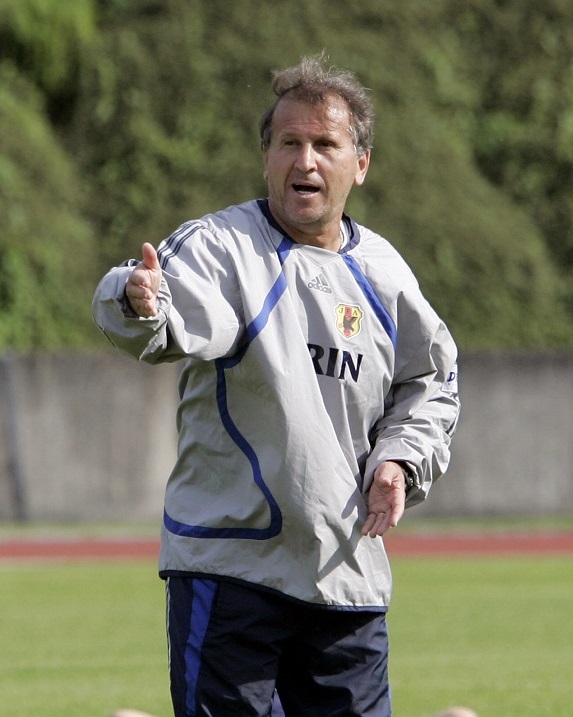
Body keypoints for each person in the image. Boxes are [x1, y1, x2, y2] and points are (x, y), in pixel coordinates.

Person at [93, 55, 460, 717]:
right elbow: (157, 316)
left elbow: (431, 381)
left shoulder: (385, 275)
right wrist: (133, 297)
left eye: (326, 144)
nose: (306, 161)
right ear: (266, 156)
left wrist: (402, 458)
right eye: (289, 142)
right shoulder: (221, 248)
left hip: (345, 578)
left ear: (361, 163)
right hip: (232, 569)